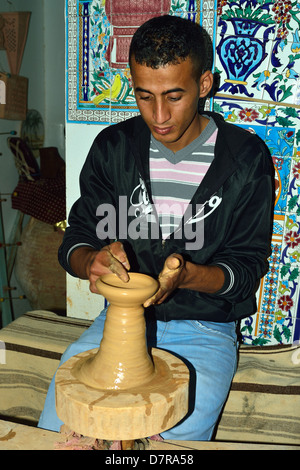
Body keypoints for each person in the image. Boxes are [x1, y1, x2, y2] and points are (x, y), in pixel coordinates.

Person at [38, 15, 274, 441]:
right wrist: (90, 259)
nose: (159, 116)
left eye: (174, 96)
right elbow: (75, 239)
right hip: (118, 323)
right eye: (144, 96)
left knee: (168, 440)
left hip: (205, 330)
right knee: (62, 429)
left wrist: (187, 276)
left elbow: (246, 268)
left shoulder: (245, 158)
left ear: (204, 85)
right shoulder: (113, 148)